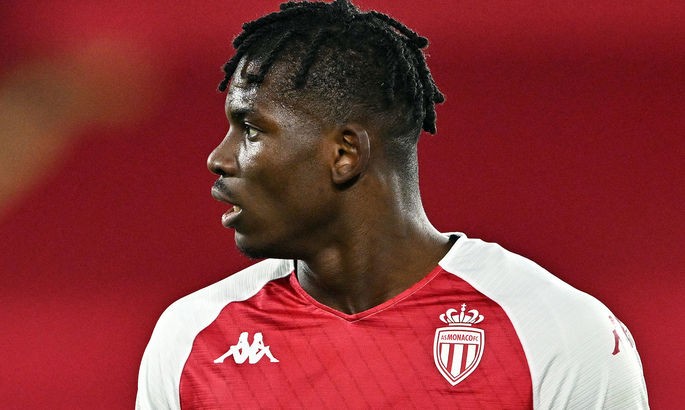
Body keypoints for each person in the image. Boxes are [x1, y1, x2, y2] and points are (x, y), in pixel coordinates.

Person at [136, 1, 649, 408]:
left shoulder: (557, 334)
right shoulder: (191, 340)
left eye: (250, 129)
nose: (218, 158)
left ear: (344, 154)